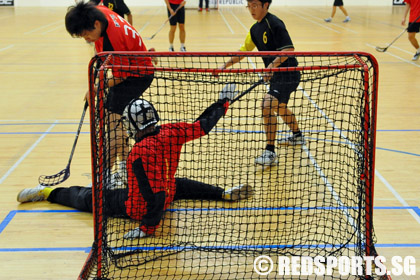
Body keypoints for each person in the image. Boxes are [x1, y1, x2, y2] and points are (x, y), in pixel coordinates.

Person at [17, 88, 253, 239]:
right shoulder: (172, 131)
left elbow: (154, 195)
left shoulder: (138, 153)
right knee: (180, 184)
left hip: (137, 208)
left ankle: (46, 193)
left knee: (88, 196)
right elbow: (203, 125)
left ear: (131, 125)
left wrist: (146, 227)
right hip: (167, 191)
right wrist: (223, 103)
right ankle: (222, 194)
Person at [65, 1, 155, 180]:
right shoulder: (98, 12)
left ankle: (105, 178)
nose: (86, 39)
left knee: (113, 125)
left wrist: (95, 87)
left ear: (96, 24)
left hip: (136, 77)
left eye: (86, 34)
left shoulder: (113, 41)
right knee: (115, 123)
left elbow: (122, 76)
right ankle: (122, 168)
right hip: (130, 69)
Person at [219, 0, 303, 166]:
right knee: (279, 107)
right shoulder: (254, 29)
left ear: (266, 5)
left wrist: (272, 66)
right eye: (249, 5)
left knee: (266, 105)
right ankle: (297, 135)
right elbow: (243, 51)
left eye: (255, 5)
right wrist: (224, 65)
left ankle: (270, 152)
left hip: (288, 74)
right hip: (276, 76)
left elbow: (288, 50)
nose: (251, 9)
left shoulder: (275, 24)